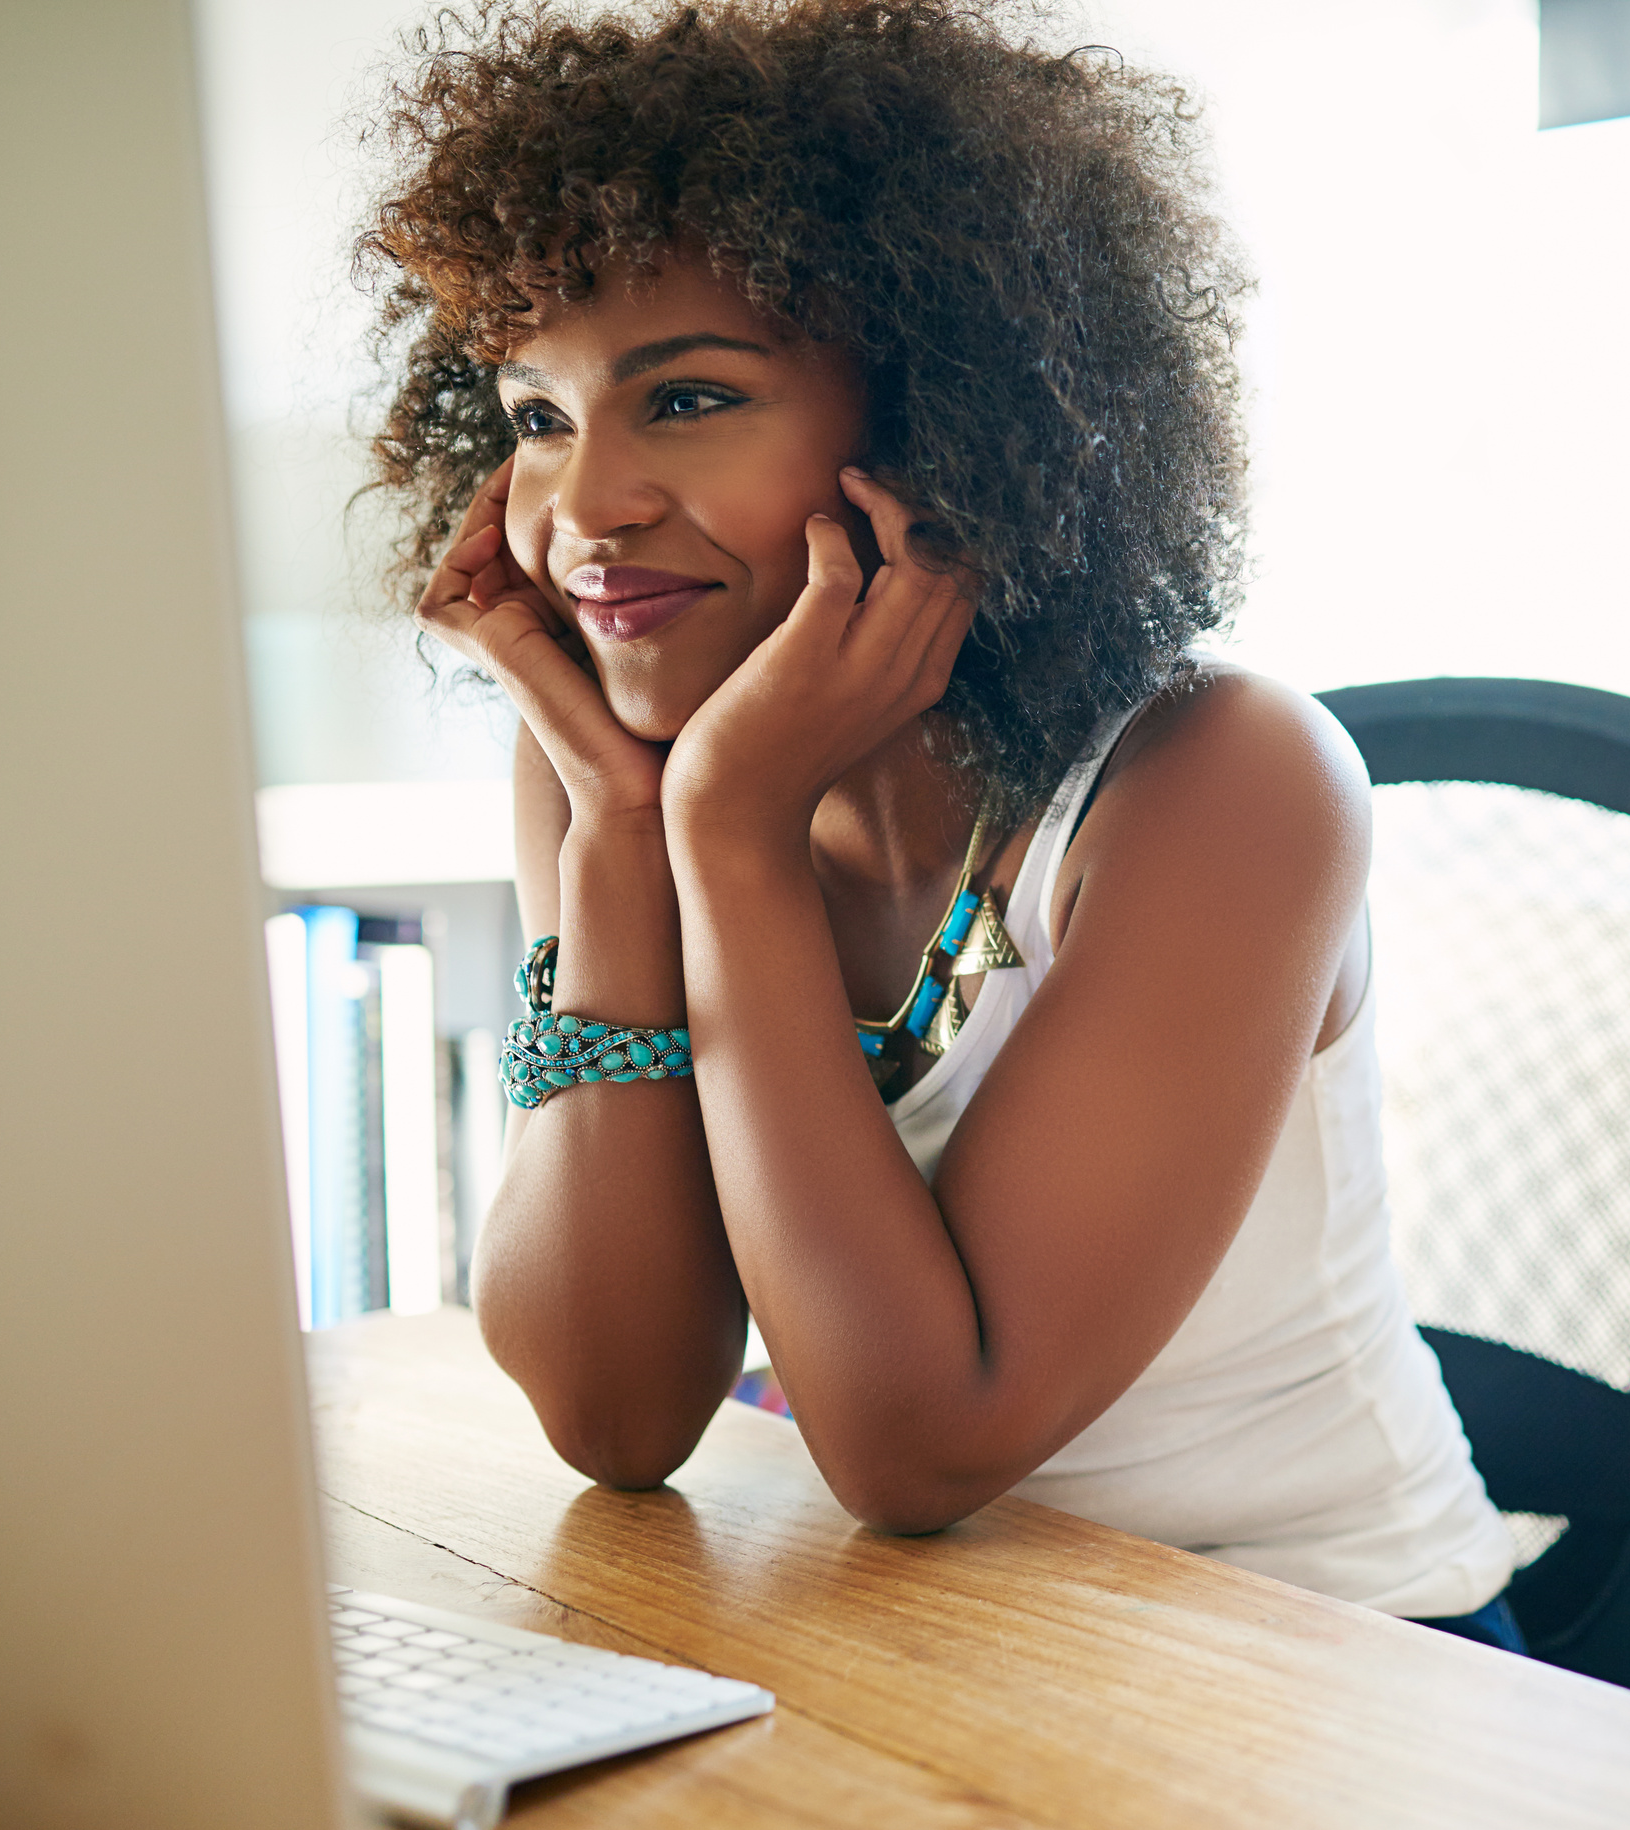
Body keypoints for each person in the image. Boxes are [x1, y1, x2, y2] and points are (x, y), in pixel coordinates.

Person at [365, 0, 1520, 1645]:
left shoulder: (1223, 778)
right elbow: (615, 1414)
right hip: (927, 1650)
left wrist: (733, 835)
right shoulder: (623, 770)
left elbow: (917, 1442)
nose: (588, 506)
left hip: (1327, 1665)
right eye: (538, 416)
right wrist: (633, 835)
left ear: (933, 421)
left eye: (686, 399)